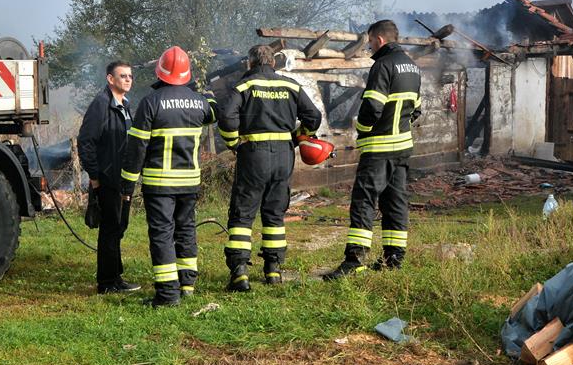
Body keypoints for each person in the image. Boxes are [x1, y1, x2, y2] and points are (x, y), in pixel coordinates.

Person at [218, 44, 322, 291]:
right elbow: (314, 117)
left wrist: (234, 143)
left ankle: (240, 274)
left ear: (250, 63)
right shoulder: (291, 85)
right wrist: (299, 136)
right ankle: (273, 271)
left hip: (254, 155)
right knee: (274, 213)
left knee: (243, 213)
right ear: (273, 63)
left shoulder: (244, 86)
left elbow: (226, 117)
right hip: (284, 157)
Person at [323, 20, 422, 279]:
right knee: (395, 202)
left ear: (378, 39)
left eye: (369, 41)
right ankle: (394, 258)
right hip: (402, 147)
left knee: (364, 200)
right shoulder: (413, 67)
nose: (368, 46)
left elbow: (372, 108)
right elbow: (417, 108)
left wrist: (363, 128)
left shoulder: (383, 65)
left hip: (379, 147)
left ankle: (354, 260)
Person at [120, 46, 217, 308]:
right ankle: (187, 285)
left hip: (160, 184)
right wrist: (201, 91)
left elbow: (137, 148)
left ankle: (167, 294)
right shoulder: (199, 102)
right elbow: (214, 112)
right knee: (186, 230)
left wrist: (127, 183)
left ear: (159, 72)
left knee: (163, 234)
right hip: (189, 182)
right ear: (187, 75)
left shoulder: (151, 103)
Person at [77, 60, 141, 294]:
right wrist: (95, 176)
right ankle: (107, 283)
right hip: (108, 177)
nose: (127, 80)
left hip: (124, 177)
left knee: (119, 225)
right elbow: (85, 141)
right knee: (110, 228)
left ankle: (115, 276)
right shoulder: (101, 105)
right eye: (122, 76)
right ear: (110, 79)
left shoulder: (125, 104)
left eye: (130, 76)